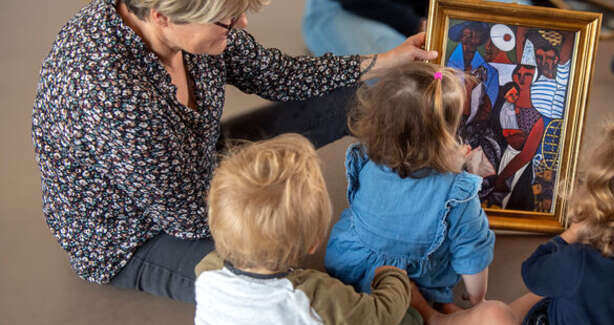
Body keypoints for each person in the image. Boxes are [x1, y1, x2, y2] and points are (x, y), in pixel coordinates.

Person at [31, 0, 436, 303]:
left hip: (192, 158)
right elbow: (188, 216)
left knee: (344, 97)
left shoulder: (194, 19)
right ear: (162, 16)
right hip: (137, 233)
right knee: (281, 290)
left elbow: (280, 75)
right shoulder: (111, 94)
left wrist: (384, 62)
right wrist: (290, 213)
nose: (240, 23)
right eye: (229, 18)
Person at [409, 125, 614, 325]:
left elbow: (532, 272)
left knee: (495, 312)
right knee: (560, 289)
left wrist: (568, 236)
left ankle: (432, 317)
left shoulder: (578, 259)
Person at [193, 134, 421, 325]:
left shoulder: (207, 271)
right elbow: (380, 315)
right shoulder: (314, 296)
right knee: (410, 318)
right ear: (314, 243)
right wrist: (393, 279)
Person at [324, 62, 496, 314]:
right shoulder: (458, 194)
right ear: (445, 135)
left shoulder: (368, 158)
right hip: (412, 286)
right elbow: (473, 252)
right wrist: (477, 299)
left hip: (349, 267)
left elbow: (410, 188)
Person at [302, 0, 532, 56]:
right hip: (343, 8)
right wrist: (416, 24)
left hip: (421, 8)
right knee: (405, 75)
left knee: (516, 12)